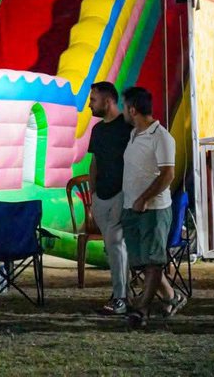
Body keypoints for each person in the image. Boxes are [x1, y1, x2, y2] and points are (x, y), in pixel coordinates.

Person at [120, 86, 182, 328]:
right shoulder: (134, 133)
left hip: (153, 209)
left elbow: (168, 174)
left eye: (125, 107)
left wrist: (144, 198)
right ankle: (171, 296)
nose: (124, 112)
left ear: (132, 110)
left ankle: (141, 309)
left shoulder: (161, 137)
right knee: (141, 262)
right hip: (131, 207)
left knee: (154, 260)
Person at [87, 81, 132, 316]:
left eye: (93, 100)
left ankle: (121, 297)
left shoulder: (127, 126)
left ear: (108, 101)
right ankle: (122, 293)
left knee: (116, 245)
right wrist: (93, 194)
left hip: (122, 195)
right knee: (112, 247)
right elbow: (94, 163)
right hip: (101, 196)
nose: (89, 105)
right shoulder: (97, 130)